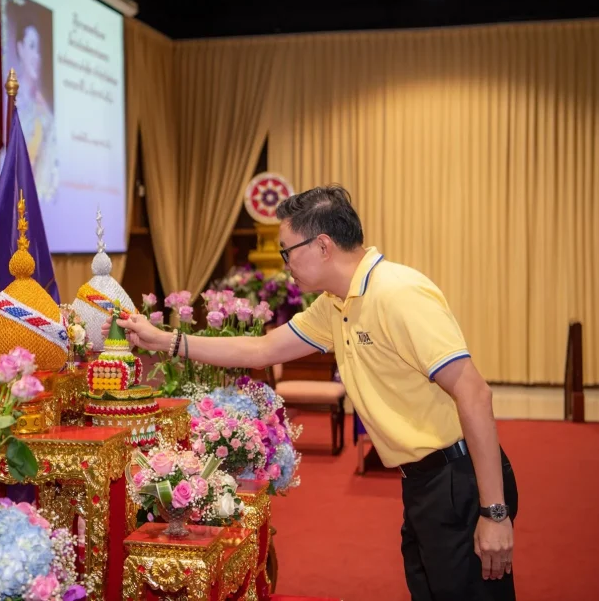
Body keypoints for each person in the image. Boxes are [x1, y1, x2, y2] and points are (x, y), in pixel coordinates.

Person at [112, 185, 518, 601]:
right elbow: (263, 348)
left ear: (322, 245)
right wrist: (166, 341)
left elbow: (474, 394)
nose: (285, 264)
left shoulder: (398, 293)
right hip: (423, 482)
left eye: (287, 251)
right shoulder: (337, 303)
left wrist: (494, 512)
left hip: (460, 480)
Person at [1, 0, 57, 201]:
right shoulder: (11, 103)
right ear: (19, 48)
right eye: (32, 46)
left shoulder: (44, 109)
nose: (37, 56)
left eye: (39, 49)